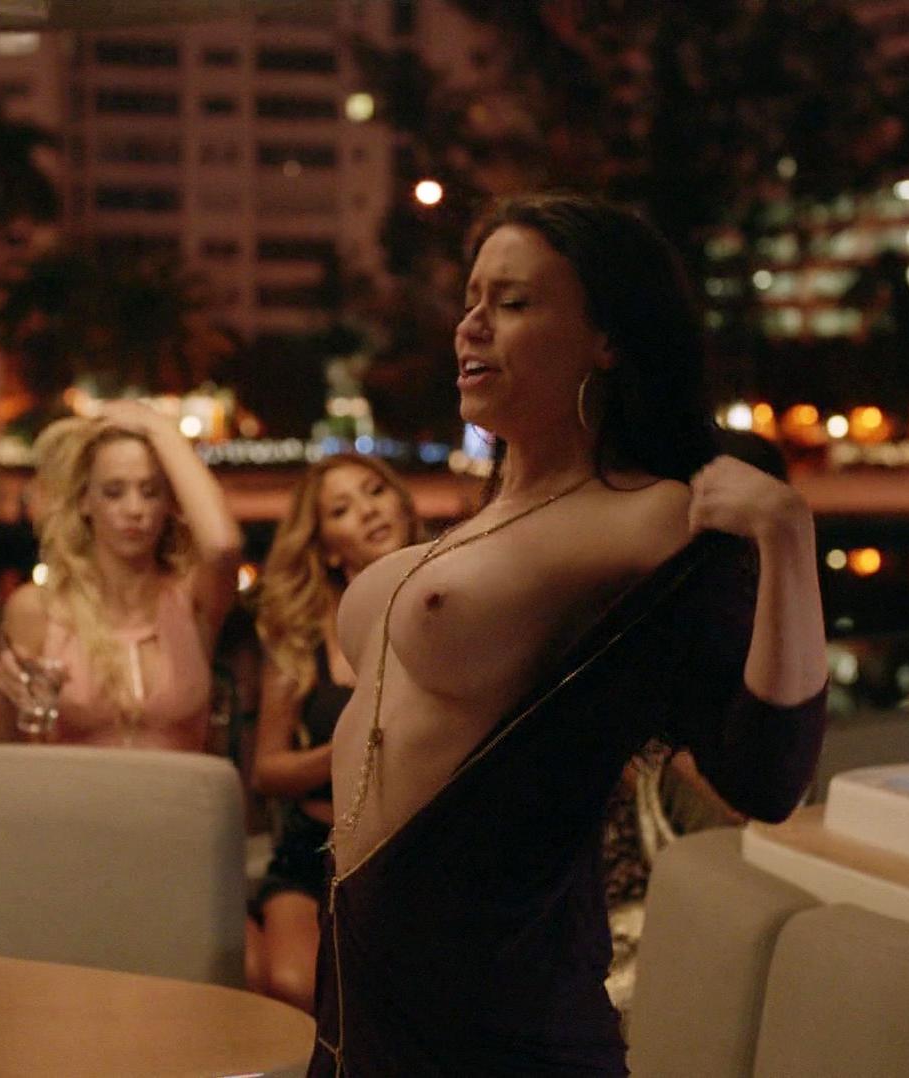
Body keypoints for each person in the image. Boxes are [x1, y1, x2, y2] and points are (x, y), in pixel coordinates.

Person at [310, 194, 828, 1076]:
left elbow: (766, 774)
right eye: (471, 300)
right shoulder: (484, 520)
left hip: (495, 1022)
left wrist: (787, 537)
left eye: (513, 303)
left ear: (608, 340)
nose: (472, 325)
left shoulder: (652, 519)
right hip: (362, 1005)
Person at [248, 453, 424, 1013]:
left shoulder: (451, 611)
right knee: (297, 985)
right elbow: (267, 770)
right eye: (342, 509)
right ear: (326, 548)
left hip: (416, 851)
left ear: (402, 504)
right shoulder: (301, 636)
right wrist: (352, 747)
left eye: (375, 491)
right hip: (315, 851)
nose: (368, 510)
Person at [0, 400, 243, 752]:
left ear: (170, 503)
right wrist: (15, 694)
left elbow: (222, 545)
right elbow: (16, 744)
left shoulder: (192, 600)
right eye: (113, 492)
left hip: (178, 788)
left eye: (151, 492)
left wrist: (158, 427)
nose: (134, 510)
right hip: (78, 788)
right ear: (84, 500)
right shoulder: (37, 608)